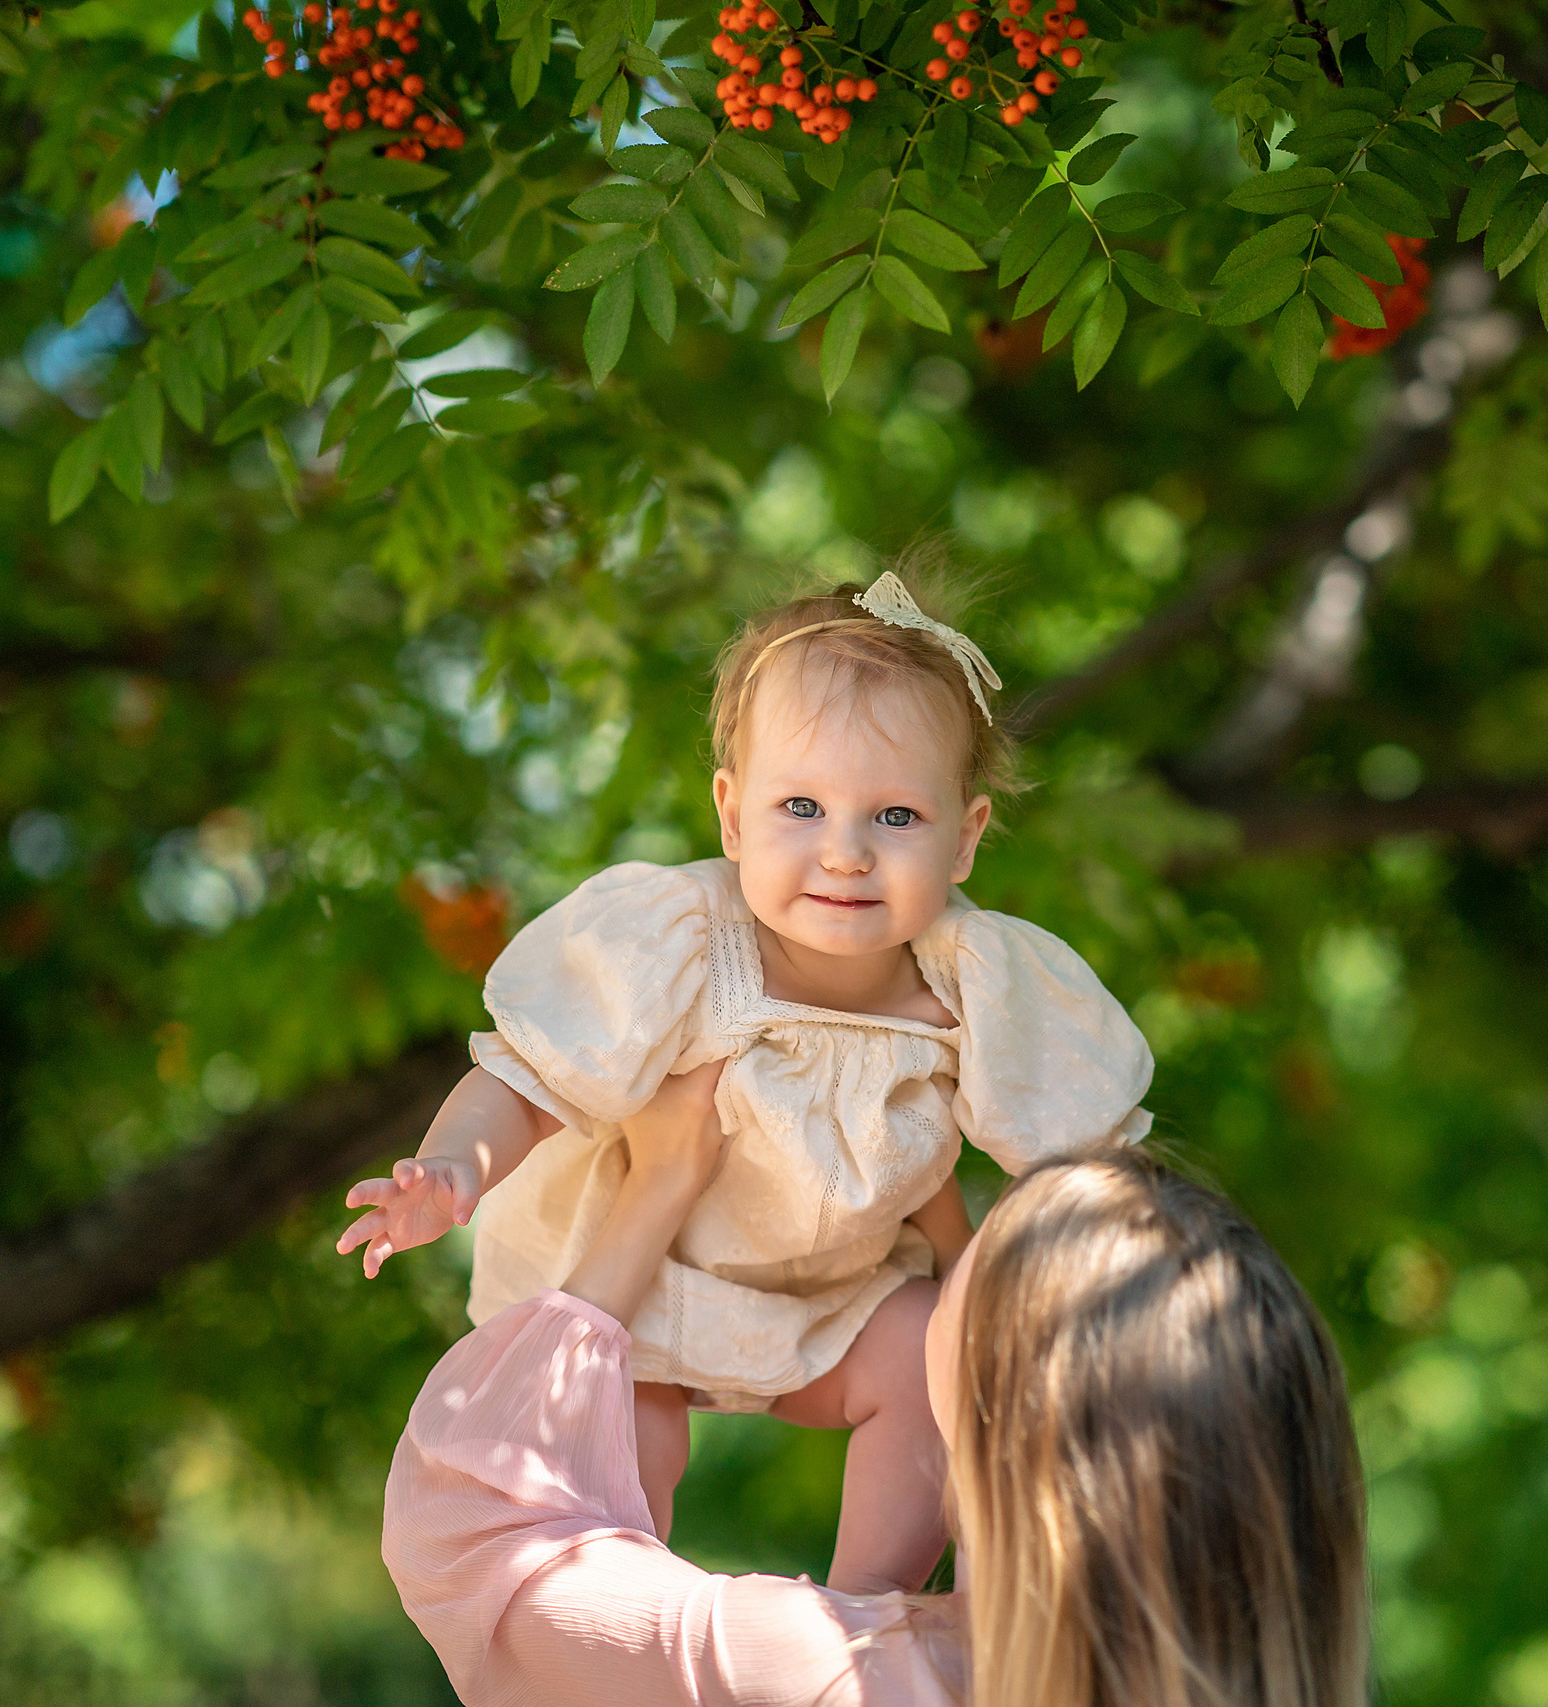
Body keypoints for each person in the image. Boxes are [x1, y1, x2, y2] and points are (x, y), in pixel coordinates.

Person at [336, 570, 1155, 1595]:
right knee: (621, 1445)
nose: (846, 854)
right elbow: (526, 1080)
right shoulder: (679, 943)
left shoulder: (975, 988)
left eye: (895, 816)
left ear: (966, 836)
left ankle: (867, 1612)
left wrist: (1017, 1284)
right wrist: (453, 1167)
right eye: (801, 806)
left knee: (927, 1364)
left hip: (831, 1302)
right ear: (730, 814)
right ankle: (625, 1636)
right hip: (639, 1290)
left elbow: (1078, 1177)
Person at [382, 1063, 1371, 1707]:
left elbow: (474, 1544)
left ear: (997, 1408)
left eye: (954, 1281)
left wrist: (653, 1197)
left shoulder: (830, 1678)